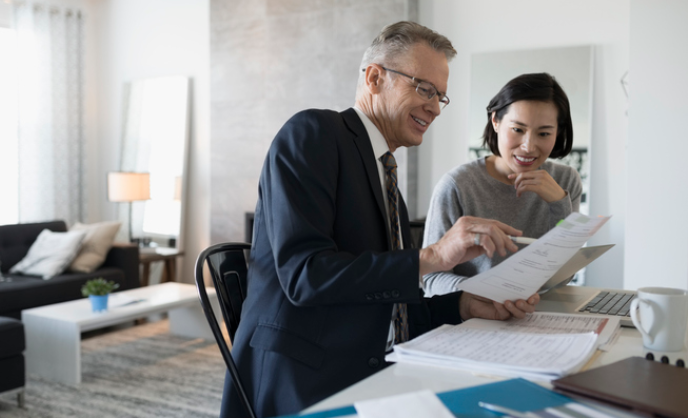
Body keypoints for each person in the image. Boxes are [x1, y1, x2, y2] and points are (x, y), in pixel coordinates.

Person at [221, 22, 539, 418]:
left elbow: (390, 302)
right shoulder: (313, 133)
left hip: (379, 371)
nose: (435, 107)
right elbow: (306, 275)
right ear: (374, 78)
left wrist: (465, 306)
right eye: (425, 89)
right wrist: (434, 255)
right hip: (305, 381)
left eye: (441, 96)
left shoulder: (384, 173)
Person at [422, 73, 583, 297]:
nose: (528, 147)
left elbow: (563, 278)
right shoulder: (456, 186)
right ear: (496, 121)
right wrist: (487, 295)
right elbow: (431, 278)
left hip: (540, 316)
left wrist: (559, 204)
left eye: (544, 133)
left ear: (558, 133)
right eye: (517, 129)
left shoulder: (565, 182)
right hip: (476, 319)